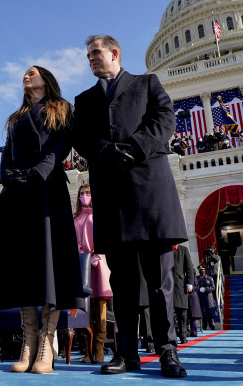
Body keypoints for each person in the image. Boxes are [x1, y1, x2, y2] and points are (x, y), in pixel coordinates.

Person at [73, 34, 188, 378]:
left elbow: (164, 120)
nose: (91, 59)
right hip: (112, 197)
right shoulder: (85, 98)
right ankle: (126, 354)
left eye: (96, 53)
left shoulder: (147, 83)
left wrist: (134, 147)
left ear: (114, 53)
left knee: (159, 281)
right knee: (122, 284)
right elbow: (80, 136)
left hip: (150, 192)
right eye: (88, 55)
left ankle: (168, 351)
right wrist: (104, 150)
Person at [0, 65, 84, 374]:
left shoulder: (61, 108)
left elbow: (63, 143)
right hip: (18, 193)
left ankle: (46, 342)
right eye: (24, 73)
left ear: (46, 79)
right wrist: (9, 176)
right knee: (22, 265)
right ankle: (28, 339)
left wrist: (40, 172)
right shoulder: (16, 117)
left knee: (48, 263)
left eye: (33, 72)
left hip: (47, 190)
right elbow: (7, 150)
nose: (27, 75)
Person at [73, 184, 112, 363]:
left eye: (88, 193)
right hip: (82, 265)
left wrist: (97, 254)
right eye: (82, 193)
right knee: (85, 308)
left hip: (99, 263)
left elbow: (105, 238)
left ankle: (99, 347)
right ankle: (87, 350)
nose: (84, 196)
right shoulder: (74, 218)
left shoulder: (100, 216)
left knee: (100, 306)